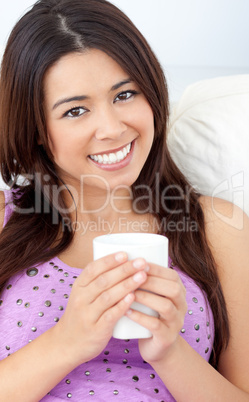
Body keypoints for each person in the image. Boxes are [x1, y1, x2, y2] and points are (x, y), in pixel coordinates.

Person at [0, 0, 248, 400]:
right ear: (38, 129)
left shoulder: (217, 228)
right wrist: (68, 341)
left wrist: (170, 352)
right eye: (76, 110)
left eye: (124, 94)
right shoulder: (4, 220)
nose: (112, 129)